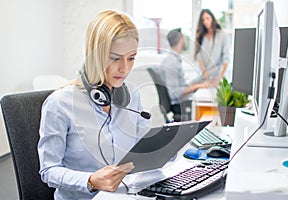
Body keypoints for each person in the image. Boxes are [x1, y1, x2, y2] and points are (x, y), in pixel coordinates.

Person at [37, 10, 151, 199]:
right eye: (115, 58)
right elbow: (48, 170)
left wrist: (166, 144)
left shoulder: (132, 96)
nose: (124, 68)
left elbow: (145, 146)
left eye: (131, 58)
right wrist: (90, 180)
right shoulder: (60, 104)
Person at [160, 28, 216, 121]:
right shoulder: (172, 63)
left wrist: (202, 77)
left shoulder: (174, 59)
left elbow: (184, 86)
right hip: (180, 105)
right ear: (181, 39)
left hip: (183, 101)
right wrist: (199, 86)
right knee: (212, 108)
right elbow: (175, 93)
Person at [194, 9, 230, 84]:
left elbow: (226, 59)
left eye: (207, 18)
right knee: (190, 86)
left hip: (218, 77)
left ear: (212, 18)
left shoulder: (222, 35)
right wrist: (204, 72)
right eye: (203, 20)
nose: (205, 22)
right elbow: (199, 56)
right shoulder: (201, 37)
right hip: (205, 76)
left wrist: (220, 77)